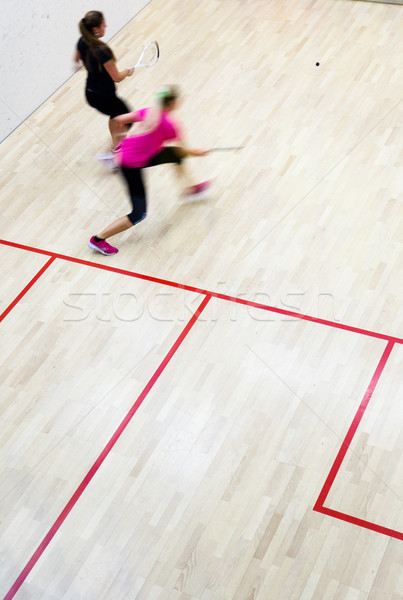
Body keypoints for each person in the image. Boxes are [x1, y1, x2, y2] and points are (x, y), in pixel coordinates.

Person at [88, 85, 211, 256]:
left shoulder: (150, 111)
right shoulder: (170, 125)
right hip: (130, 166)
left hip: (134, 154)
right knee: (139, 214)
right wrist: (199, 153)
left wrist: (117, 145)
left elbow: (118, 120)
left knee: (174, 155)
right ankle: (98, 239)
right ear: (174, 102)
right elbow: (186, 150)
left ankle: (189, 190)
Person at [74, 10, 134, 154]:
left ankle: (116, 145)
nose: (106, 26)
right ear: (95, 29)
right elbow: (117, 77)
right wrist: (128, 71)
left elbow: (76, 58)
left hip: (91, 94)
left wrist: (87, 65)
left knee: (116, 115)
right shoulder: (102, 51)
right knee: (127, 118)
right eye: (103, 24)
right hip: (104, 96)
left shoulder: (82, 41)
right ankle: (117, 150)